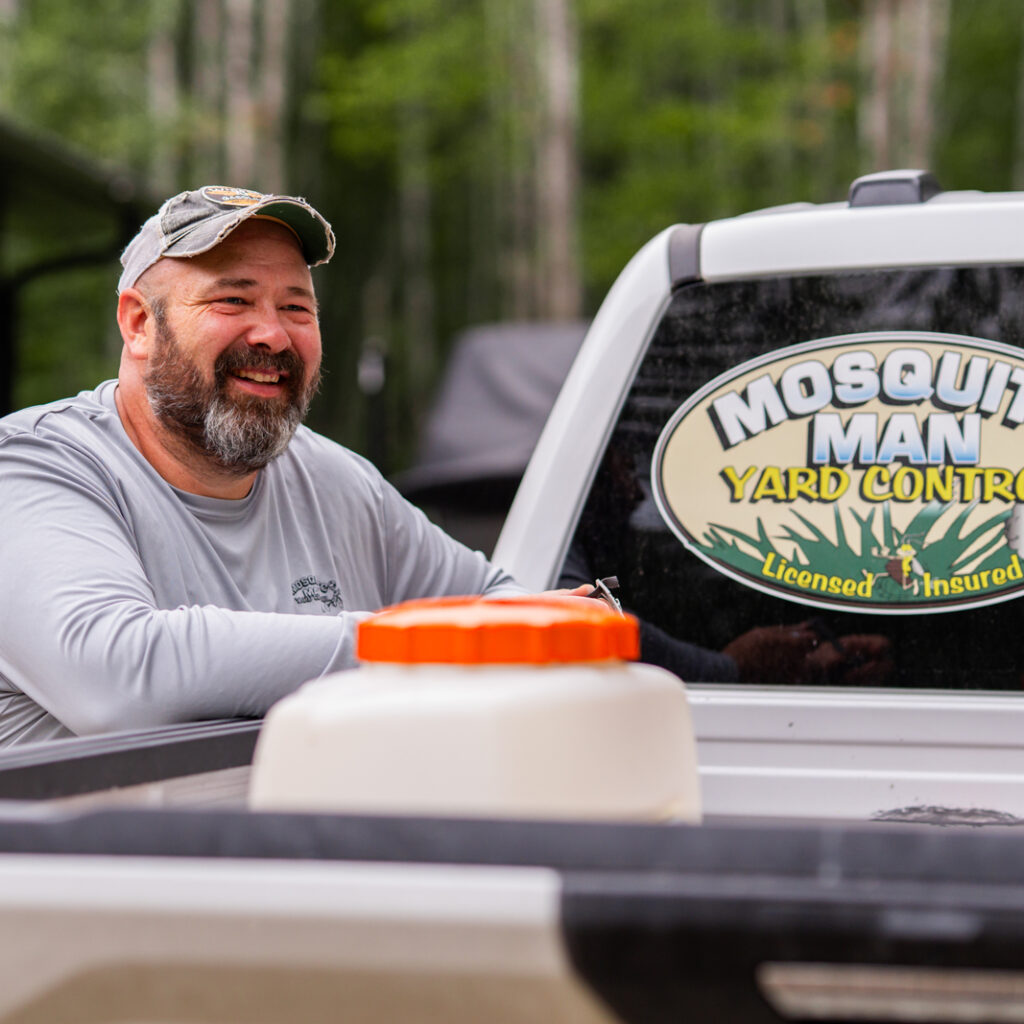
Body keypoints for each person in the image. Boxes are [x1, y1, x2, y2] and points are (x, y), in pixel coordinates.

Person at [0, 186, 542, 747]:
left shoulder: (336, 482)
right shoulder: (32, 468)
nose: (274, 334)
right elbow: (117, 678)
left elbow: (501, 606)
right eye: (233, 301)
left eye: (296, 307)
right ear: (140, 324)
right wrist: (421, 644)